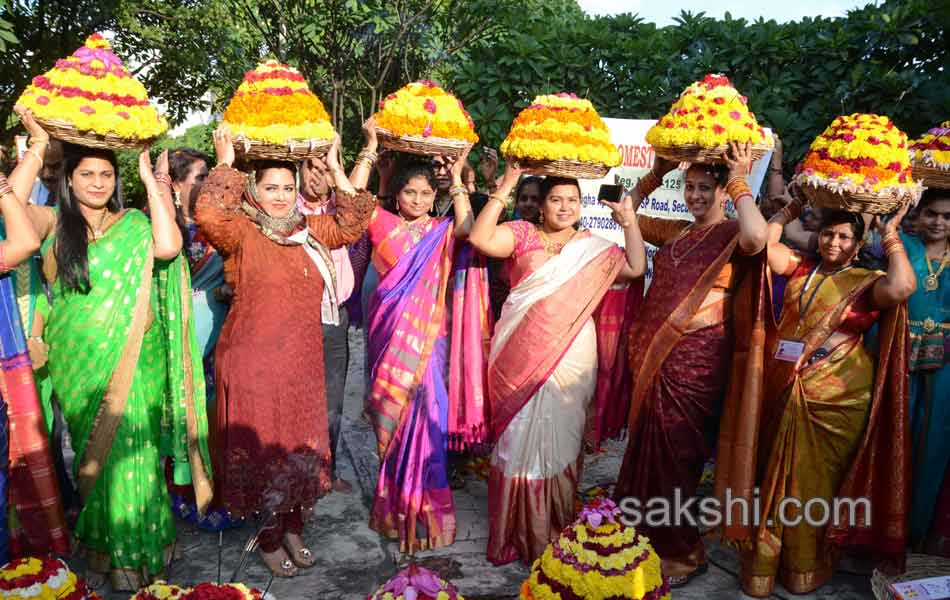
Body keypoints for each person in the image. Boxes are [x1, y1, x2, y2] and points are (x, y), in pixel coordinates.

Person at [11, 112, 212, 591]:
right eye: (87, 175)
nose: (98, 183)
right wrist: (38, 146)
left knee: (136, 452)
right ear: (69, 180)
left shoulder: (135, 223)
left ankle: (141, 553)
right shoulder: (54, 223)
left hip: (135, 360)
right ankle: (107, 548)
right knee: (95, 458)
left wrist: (151, 181)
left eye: (106, 174)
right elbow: (10, 200)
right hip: (78, 360)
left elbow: (168, 246)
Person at [196, 129, 374, 578]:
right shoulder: (241, 232)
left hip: (301, 364)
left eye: (288, 188)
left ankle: (294, 526)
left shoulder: (309, 233)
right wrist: (228, 160)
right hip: (253, 363)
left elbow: (354, 221)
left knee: (299, 447)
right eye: (270, 188)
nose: (280, 197)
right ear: (254, 189)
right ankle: (270, 537)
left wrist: (336, 167)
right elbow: (209, 214)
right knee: (267, 452)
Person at [467, 161, 647, 565]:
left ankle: (554, 527)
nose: (564, 207)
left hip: (573, 355)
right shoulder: (523, 234)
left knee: (563, 440)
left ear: (581, 206)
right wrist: (509, 182)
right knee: (515, 443)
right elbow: (480, 237)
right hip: (517, 352)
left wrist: (629, 221)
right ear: (542, 205)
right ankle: (513, 532)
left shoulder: (593, 246)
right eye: (556, 200)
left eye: (572, 200)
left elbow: (636, 269)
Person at [733, 201, 915, 596]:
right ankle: (763, 565)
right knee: (771, 477)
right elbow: (759, 244)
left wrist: (890, 236)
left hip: (837, 394)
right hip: (782, 384)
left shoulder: (869, 281)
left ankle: (803, 565)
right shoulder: (800, 266)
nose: (834, 242)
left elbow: (902, 288)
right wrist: (791, 208)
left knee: (815, 484)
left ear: (858, 242)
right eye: (828, 233)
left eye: (844, 236)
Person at [612, 142, 769, 586]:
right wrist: (654, 174)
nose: (696, 196)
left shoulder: (733, 235)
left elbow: (758, 238)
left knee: (678, 458)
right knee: (648, 451)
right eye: (690, 187)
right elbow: (628, 215)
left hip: (698, 363)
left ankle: (682, 552)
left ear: (723, 192)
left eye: (705, 188)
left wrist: (739, 178)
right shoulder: (677, 233)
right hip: (654, 359)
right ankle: (642, 537)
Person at [349, 119, 487, 555]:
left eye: (426, 194)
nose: (419, 200)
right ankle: (395, 509)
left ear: (435, 196)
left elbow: (469, 228)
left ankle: (426, 509)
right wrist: (369, 149)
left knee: (428, 416)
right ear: (398, 194)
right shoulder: (382, 222)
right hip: (390, 339)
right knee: (397, 421)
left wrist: (462, 179)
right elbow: (352, 198)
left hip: (429, 342)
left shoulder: (442, 231)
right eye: (411, 192)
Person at [0, 125, 62, 562]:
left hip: (26, 348)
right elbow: (24, 240)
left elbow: (26, 246)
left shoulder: (18, 219)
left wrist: (37, 148)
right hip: (10, 358)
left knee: (40, 449)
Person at [298, 155, 356, 493]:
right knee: (299, 397)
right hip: (298, 317)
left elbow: (357, 204)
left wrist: (337, 170)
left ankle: (327, 473)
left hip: (335, 316)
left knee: (332, 400)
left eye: (324, 171)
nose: (316, 178)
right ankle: (299, 473)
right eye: (311, 168)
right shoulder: (286, 205)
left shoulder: (341, 211)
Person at [901, 188, 950, 550]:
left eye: (947, 217)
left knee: (934, 443)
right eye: (931, 213)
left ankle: (918, 533)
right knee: (895, 436)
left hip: (946, 366)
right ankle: (883, 532)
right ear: (918, 214)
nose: (938, 222)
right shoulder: (897, 245)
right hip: (898, 357)